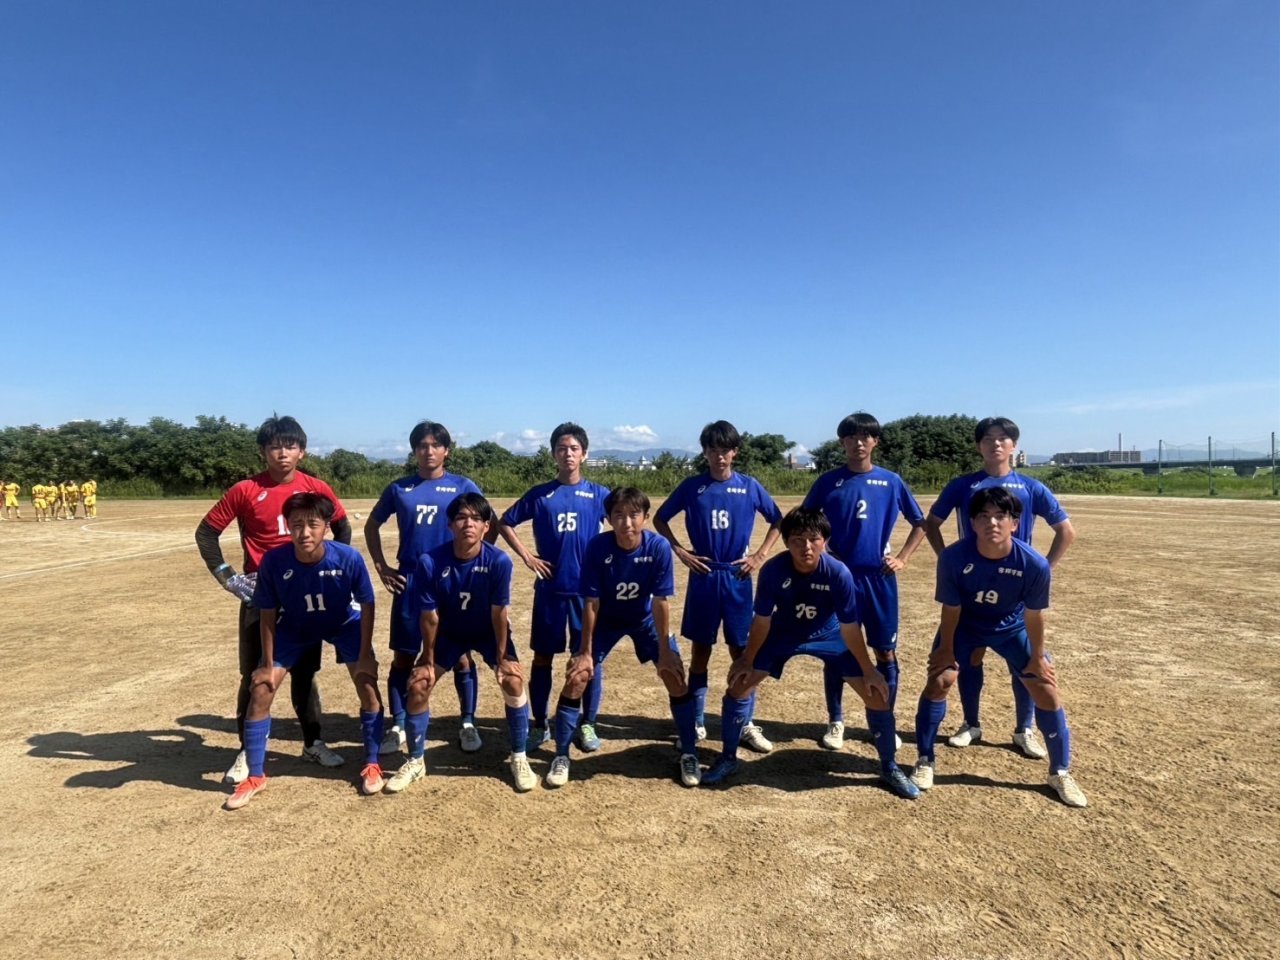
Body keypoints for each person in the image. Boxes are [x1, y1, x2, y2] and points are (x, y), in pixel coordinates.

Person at [700, 507, 917, 798]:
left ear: (825, 541)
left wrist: (868, 669)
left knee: (876, 694)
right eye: (797, 539)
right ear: (786, 542)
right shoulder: (774, 570)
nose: (806, 547)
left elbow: (850, 627)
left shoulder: (838, 572)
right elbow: (762, 620)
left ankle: (889, 766)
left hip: (829, 634)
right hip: (784, 632)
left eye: (814, 539)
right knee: (739, 684)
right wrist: (747, 659)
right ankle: (728, 758)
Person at [196, 414, 350, 784]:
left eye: (289, 446)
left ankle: (312, 743)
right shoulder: (246, 489)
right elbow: (206, 533)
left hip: (305, 595)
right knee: (254, 675)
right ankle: (247, 751)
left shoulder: (316, 488)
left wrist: (330, 566)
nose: (282, 453)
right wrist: (228, 578)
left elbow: (342, 526)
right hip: (261, 594)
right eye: (274, 446)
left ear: (302, 451)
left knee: (305, 673)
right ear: (263, 451)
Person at [909, 488, 1087, 808]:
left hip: (1011, 627)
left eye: (1000, 516)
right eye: (983, 516)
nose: (992, 522)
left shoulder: (1033, 563)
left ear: (1014, 524)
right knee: (939, 680)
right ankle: (925, 760)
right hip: (965, 625)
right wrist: (946, 649)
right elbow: (951, 608)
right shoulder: (953, 557)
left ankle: (1059, 772)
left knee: (1046, 688)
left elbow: (1034, 615)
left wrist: (1037, 657)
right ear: (972, 523)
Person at [923, 416, 1076, 759]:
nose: (996, 444)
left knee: (1025, 666)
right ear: (978, 446)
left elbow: (1066, 531)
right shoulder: (963, 485)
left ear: (1014, 446)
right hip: (971, 590)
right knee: (970, 657)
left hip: (1014, 592)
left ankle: (1024, 729)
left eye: (1003, 438)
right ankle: (971, 723)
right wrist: (947, 560)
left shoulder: (1031, 487)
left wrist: (1043, 570)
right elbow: (931, 523)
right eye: (988, 438)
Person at [224, 492, 384, 810]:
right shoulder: (274, 561)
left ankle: (372, 762)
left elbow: (367, 604)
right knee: (261, 687)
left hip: (342, 624)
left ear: (326, 526)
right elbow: (267, 612)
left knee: (366, 682)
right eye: (296, 524)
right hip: (295, 628)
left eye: (313, 524)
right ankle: (255, 776)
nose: (304, 532)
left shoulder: (348, 558)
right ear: (287, 526)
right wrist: (267, 663)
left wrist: (365, 653)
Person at [543, 487, 701, 789]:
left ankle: (689, 751)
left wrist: (665, 651)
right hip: (606, 620)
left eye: (633, 515)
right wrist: (585, 651)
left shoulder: (657, 547)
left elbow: (660, 602)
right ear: (608, 518)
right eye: (618, 515)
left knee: (674, 673)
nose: (626, 522)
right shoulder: (597, 547)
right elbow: (591, 602)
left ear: (645, 518)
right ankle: (561, 755)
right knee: (577, 677)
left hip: (644, 620)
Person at [382, 494, 537, 794]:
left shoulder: (498, 561)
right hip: (450, 634)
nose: (469, 524)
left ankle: (519, 756)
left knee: (514, 680)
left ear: (486, 526)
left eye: (476, 519)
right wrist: (427, 660)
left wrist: (502, 657)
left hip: (487, 632)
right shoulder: (430, 561)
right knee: (419, 685)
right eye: (462, 518)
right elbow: (430, 617)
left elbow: (499, 613)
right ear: (450, 525)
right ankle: (416, 760)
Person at [653, 419, 781, 751]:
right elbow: (660, 518)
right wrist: (681, 551)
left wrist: (759, 555)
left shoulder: (749, 486)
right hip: (705, 576)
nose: (719, 456)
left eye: (725, 450)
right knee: (701, 651)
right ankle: (696, 722)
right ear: (705, 452)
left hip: (737, 577)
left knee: (743, 651)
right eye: (713, 450)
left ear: (735, 452)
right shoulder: (692, 486)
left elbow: (778, 520)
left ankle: (745, 722)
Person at [802, 412, 926, 751]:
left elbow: (920, 523)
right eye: (851, 437)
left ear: (875, 442)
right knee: (837, 649)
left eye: (865, 436)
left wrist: (902, 558)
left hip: (879, 578)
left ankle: (883, 720)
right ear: (842, 442)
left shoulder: (891, 481)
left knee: (885, 651)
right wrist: (822, 556)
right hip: (839, 579)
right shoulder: (829, 481)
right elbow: (805, 522)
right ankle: (836, 721)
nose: (859, 443)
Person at [364, 421, 484, 756]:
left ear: (447, 450)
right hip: (411, 580)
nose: (428, 451)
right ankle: (399, 724)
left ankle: (467, 722)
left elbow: (486, 525)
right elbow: (372, 526)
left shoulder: (462, 486)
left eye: (435, 445)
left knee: (461, 654)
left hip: (451, 581)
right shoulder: (399, 488)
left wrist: (471, 564)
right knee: (404, 655)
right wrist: (381, 566)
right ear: (414, 450)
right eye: (422, 446)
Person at [498, 423, 610, 751]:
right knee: (543, 658)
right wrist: (528, 556)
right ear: (553, 454)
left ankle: (587, 723)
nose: (568, 454)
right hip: (550, 590)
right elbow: (505, 522)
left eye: (574, 449)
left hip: (587, 594)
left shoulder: (600, 495)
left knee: (588, 658)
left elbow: (625, 523)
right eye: (562, 449)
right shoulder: (540, 495)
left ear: (584, 454)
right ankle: (540, 724)